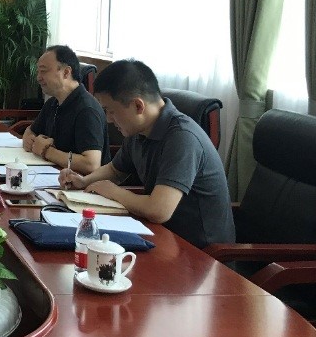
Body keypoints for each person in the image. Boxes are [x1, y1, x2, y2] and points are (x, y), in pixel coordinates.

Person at [59, 59, 235, 248]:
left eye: (110, 111)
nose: (108, 119)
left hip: (200, 252)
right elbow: (115, 170)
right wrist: (84, 181)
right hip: (161, 235)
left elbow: (159, 210)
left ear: (138, 106)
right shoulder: (138, 130)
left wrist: (112, 191)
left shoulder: (182, 138)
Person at [22, 45, 109, 174]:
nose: (38, 77)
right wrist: (29, 138)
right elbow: (31, 130)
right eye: (38, 72)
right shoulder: (53, 102)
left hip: (83, 184)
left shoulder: (87, 110)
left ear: (66, 72)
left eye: (43, 71)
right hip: (55, 175)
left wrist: (47, 151)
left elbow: (91, 164)